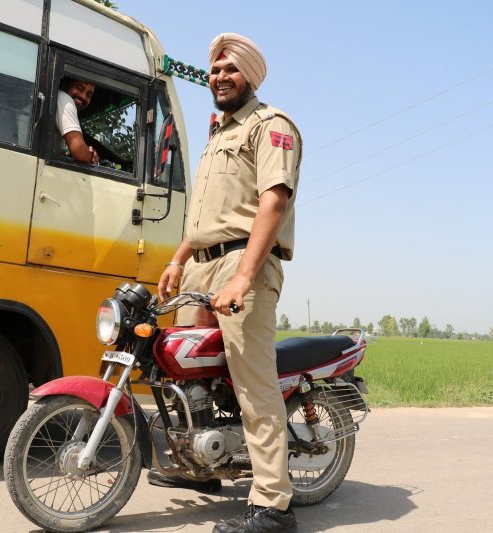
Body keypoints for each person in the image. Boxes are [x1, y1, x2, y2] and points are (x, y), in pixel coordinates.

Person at [154, 33, 302, 533]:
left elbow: (274, 202)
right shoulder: (218, 134)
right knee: (185, 368)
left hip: (246, 264)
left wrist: (243, 276)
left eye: (230, 70)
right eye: (214, 70)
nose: (219, 77)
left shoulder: (270, 126)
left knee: (253, 384)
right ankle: (203, 469)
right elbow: (204, 216)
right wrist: (178, 260)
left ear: (250, 77)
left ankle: (273, 507)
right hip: (200, 264)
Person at [56, 78, 99, 165]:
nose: (83, 96)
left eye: (88, 95)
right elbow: (80, 154)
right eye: (79, 88)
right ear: (65, 85)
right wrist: (92, 156)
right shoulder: (64, 99)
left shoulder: (56, 98)